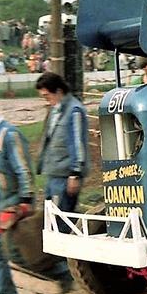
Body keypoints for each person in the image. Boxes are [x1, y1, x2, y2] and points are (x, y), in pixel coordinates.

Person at [36, 72, 89, 217]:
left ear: (58, 91)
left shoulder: (74, 111)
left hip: (65, 176)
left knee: (62, 218)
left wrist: (75, 174)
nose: (46, 100)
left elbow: (78, 143)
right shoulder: (55, 110)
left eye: (47, 96)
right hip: (54, 173)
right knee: (50, 217)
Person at [0, 116, 34, 294]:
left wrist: (26, 199)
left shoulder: (9, 134)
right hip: (2, 203)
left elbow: (23, 169)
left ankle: (62, 279)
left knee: (21, 253)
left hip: (13, 204)